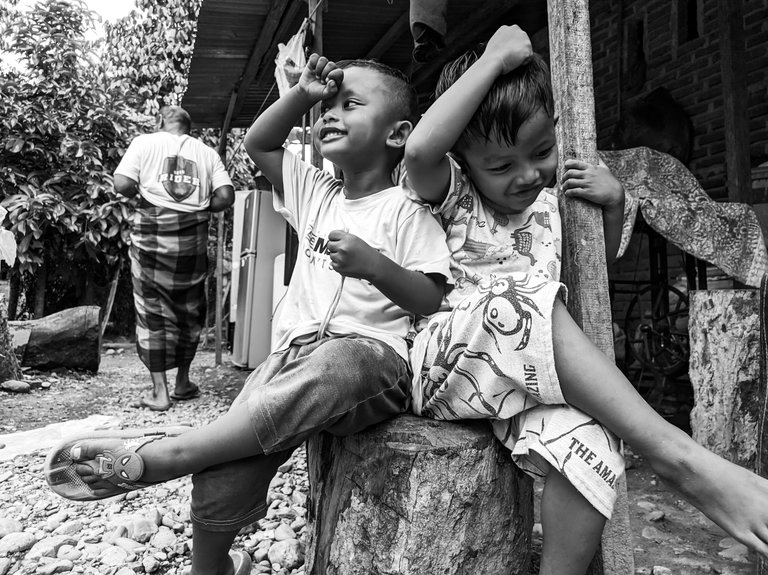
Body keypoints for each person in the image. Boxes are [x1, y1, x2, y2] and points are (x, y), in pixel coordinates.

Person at [45, 56, 451, 575]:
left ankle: (174, 453)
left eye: (349, 104)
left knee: (334, 368)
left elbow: (429, 297)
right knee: (228, 459)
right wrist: (301, 93)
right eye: (326, 106)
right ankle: (210, 567)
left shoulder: (408, 210)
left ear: (397, 134)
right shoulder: (316, 191)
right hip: (290, 355)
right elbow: (259, 143)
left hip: (372, 358)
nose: (330, 114)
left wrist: (375, 266)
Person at [404, 24, 768, 573]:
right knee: (515, 298)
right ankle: (681, 460)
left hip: (525, 388)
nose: (528, 174)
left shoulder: (552, 205)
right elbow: (419, 149)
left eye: (542, 151)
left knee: (592, 446)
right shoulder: (454, 195)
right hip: (449, 367)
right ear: (465, 161)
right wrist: (495, 59)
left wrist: (615, 204)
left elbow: (593, 271)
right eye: (501, 166)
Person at [113, 105, 235, 411]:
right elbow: (225, 197)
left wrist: (149, 194)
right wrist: (196, 208)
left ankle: (160, 392)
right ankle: (182, 383)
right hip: (191, 242)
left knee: (151, 308)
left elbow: (122, 184)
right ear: (188, 128)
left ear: (160, 122)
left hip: (152, 239)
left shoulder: (144, 143)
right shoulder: (207, 153)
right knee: (188, 309)